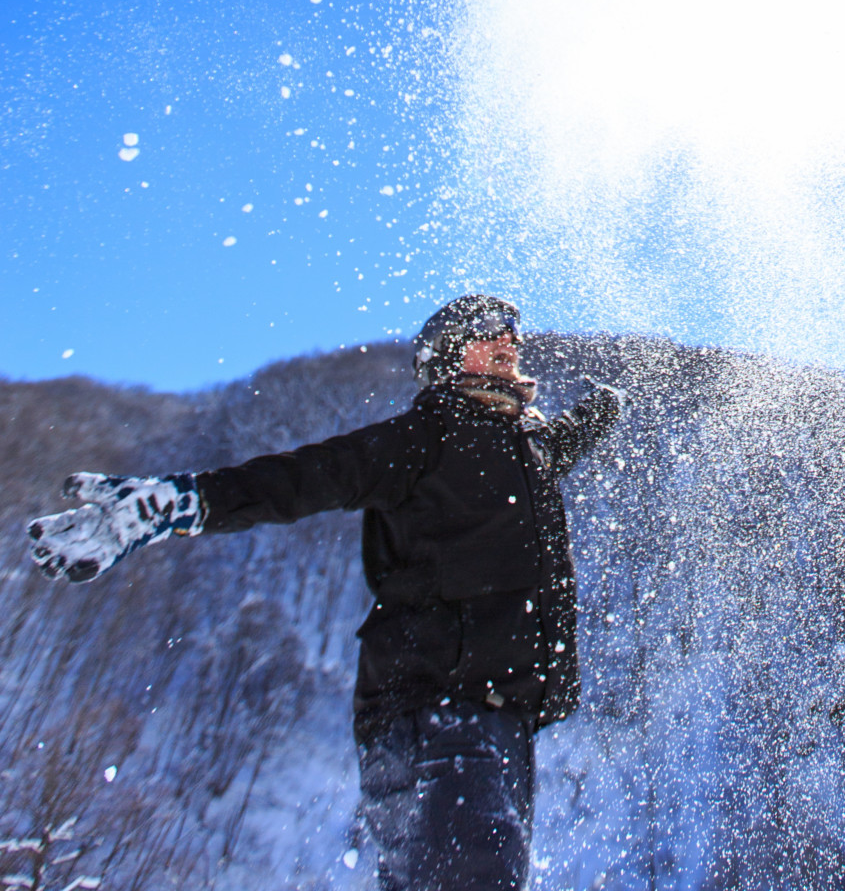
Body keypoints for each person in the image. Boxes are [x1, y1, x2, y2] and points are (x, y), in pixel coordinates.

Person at [26, 294, 624, 891]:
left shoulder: (525, 445)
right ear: (448, 355)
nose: (510, 338)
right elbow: (304, 476)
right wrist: (180, 503)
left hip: (500, 718)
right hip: (439, 704)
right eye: (489, 329)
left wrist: (603, 407)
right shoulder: (428, 435)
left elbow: (560, 445)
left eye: (514, 329)